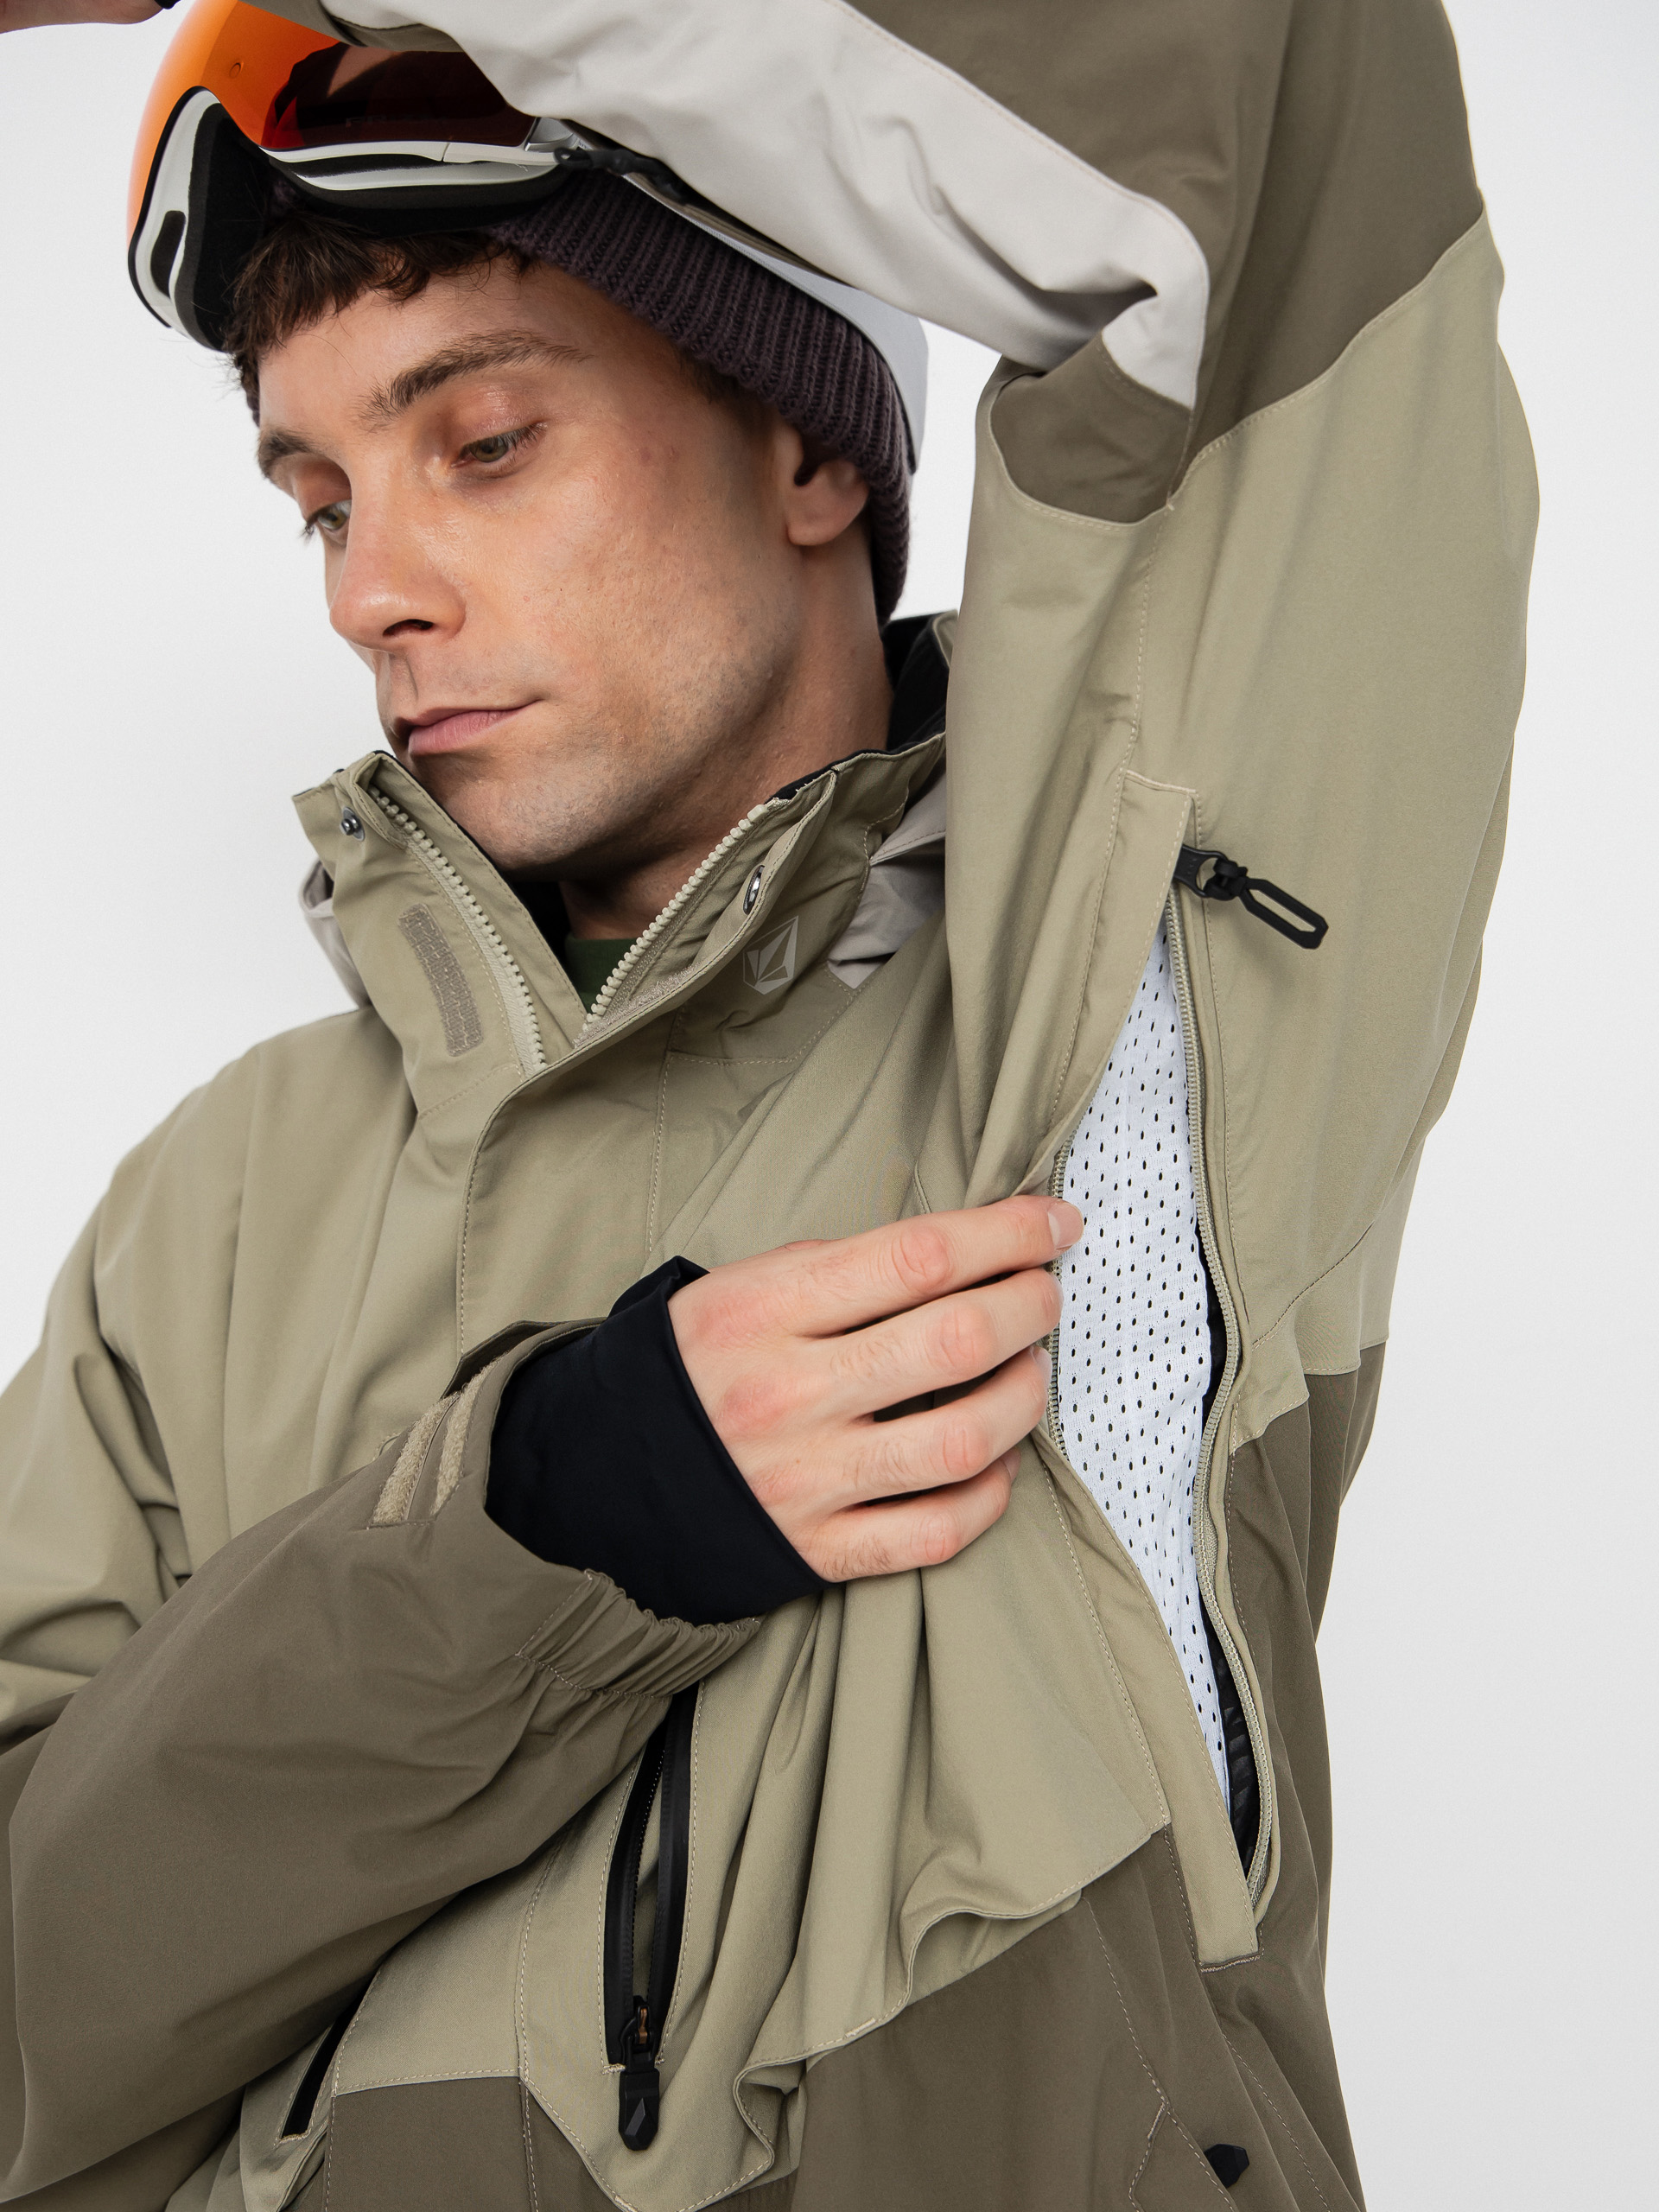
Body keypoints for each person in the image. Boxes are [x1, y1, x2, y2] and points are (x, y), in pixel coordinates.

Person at [0, 3, 1535, 2208]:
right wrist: (538, 1525)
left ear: (813, 446)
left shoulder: (1124, 992)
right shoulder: (218, 1204)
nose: (369, 590)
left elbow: (1283, 111)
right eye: (321, 500)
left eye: (484, 441)